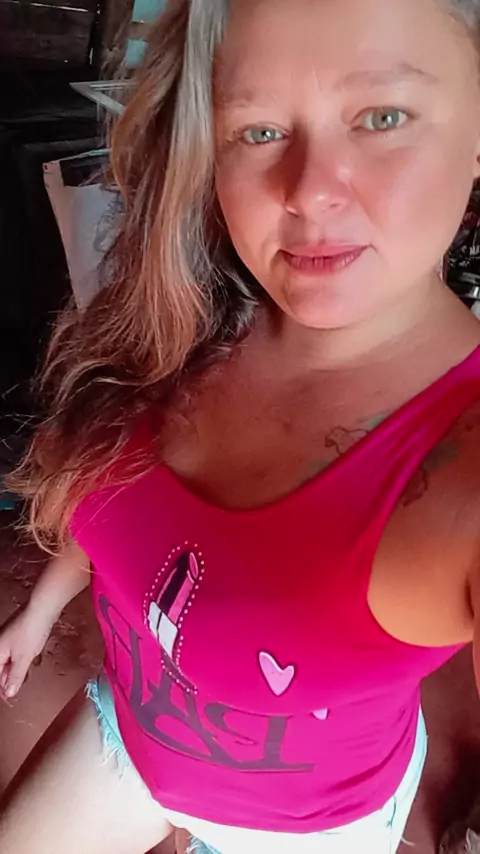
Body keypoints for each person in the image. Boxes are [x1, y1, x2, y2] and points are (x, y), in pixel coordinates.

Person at [2, 0, 480, 851]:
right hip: (128, 732)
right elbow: (118, 496)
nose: (308, 191)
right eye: (258, 131)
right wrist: (42, 607)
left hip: (301, 829)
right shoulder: (187, 319)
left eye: (382, 116)